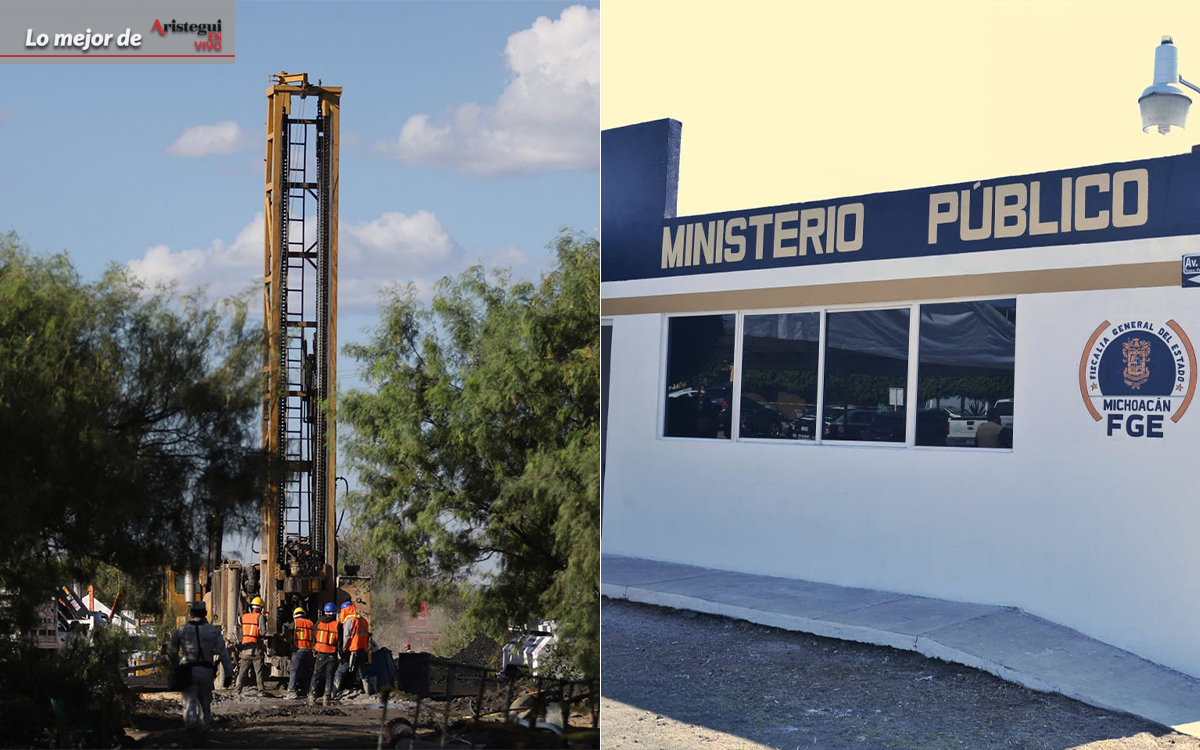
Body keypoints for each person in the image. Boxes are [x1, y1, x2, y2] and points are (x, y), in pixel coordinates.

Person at [167, 600, 233, 738]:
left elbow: (171, 651)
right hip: (206, 671)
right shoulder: (213, 631)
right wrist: (228, 674)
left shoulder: (181, 630)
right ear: (205, 614)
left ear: (191, 614)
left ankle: (192, 735)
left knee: (189, 703)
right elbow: (223, 653)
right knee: (205, 704)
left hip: (188, 671)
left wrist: (176, 667)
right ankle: (205, 735)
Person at [333, 600, 371, 699]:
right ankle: (368, 693)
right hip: (361, 650)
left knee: (340, 672)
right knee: (363, 672)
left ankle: (332, 693)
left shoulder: (350, 621)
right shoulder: (363, 620)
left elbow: (346, 636)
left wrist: (343, 649)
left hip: (351, 651)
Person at [308, 602, 340, 706]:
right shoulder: (337, 625)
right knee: (329, 675)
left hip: (321, 652)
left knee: (316, 673)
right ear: (334, 613)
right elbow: (339, 642)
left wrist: (314, 648)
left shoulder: (319, 623)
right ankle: (327, 696)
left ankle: (312, 695)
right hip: (332, 653)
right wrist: (341, 653)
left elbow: (314, 637)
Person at [235, 596, 268, 696]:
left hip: (245, 648)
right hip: (255, 649)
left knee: (242, 672)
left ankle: (237, 691)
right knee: (258, 671)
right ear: (261, 608)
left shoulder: (245, 616)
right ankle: (261, 691)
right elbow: (262, 632)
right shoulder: (260, 617)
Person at [287, 607, 315, 700]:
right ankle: (310, 692)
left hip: (298, 649)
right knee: (309, 672)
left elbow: (290, 635)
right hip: (308, 649)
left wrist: (290, 645)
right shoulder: (311, 623)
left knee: (294, 670)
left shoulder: (295, 623)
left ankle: (292, 692)